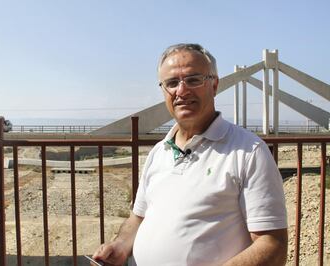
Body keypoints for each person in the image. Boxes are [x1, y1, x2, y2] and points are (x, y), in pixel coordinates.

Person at [92, 43, 288, 266]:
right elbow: (139, 217)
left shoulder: (249, 152)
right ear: (163, 90)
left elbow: (273, 245)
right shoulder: (159, 151)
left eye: (194, 80)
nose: (181, 91)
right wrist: (120, 245)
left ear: (214, 85)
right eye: (172, 83)